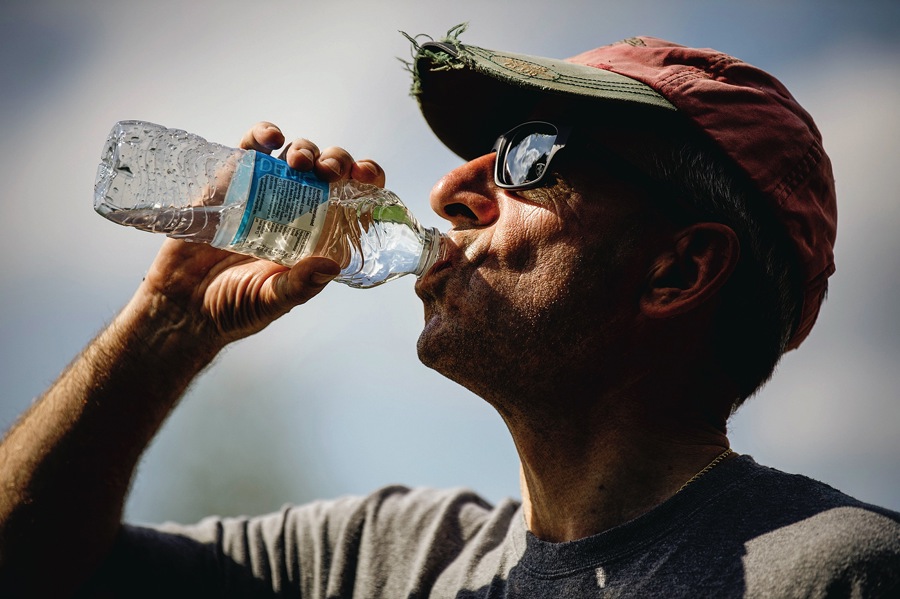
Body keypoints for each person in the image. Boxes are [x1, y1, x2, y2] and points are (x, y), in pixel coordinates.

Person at [1, 28, 899, 598]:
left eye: (531, 155)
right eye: (481, 152)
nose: (450, 189)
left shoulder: (837, 571)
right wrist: (166, 326)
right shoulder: (376, 559)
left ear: (678, 266)